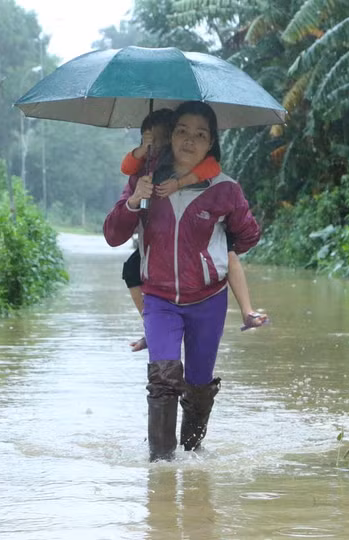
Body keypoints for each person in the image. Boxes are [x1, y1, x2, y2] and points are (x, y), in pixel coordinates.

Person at [104, 101, 262, 462]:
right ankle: (160, 464)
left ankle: (192, 454)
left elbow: (248, 235)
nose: (190, 140)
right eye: (182, 132)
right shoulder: (142, 182)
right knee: (163, 376)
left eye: (200, 134)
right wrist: (134, 203)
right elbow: (113, 235)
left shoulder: (225, 190)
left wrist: (217, 252)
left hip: (208, 300)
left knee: (199, 384)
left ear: (211, 144)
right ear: (171, 137)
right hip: (159, 298)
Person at [120, 110, 269, 352]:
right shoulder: (144, 171)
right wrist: (141, 158)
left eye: (161, 141)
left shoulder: (214, 180)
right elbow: (126, 167)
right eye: (151, 142)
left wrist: (179, 184)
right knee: (131, 269)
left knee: (228, 255)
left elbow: (210, 169)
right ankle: (151, 327)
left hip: (204, 245)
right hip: (157, 258)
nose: (157, 147)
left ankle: (247, 310)